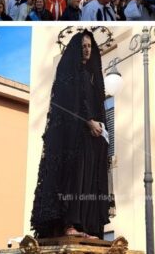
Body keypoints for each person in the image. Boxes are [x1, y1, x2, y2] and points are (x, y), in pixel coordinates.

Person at [31, 31, 111, 239]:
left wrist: (100, 126)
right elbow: (67, 104)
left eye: (89, 46)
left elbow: (96, 104)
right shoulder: (69, 72)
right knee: (75, 178)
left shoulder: (92, 76)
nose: (87, 49)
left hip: (94, 136)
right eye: (83, 46)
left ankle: (87, 225)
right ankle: (70, 224)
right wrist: (88, 121)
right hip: (75, 136)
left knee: (90, 179)